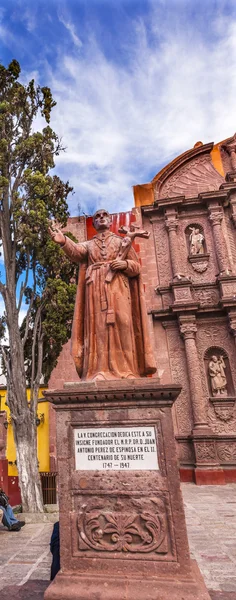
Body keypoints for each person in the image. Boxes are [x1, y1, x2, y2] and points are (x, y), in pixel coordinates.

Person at [49, 209, 156, 381]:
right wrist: (63, 242)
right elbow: (76, 251)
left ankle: (128, 371)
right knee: (98, 329)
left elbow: (136, 268)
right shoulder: (90, 245)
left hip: (119, 288)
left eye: (104, 215)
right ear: (94, 223)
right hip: (95, 290)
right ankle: (99, 371)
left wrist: (124, 264)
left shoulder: (122, 242)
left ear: (110, 220)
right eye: (97, 217)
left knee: (124, 324)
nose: (100, 218)